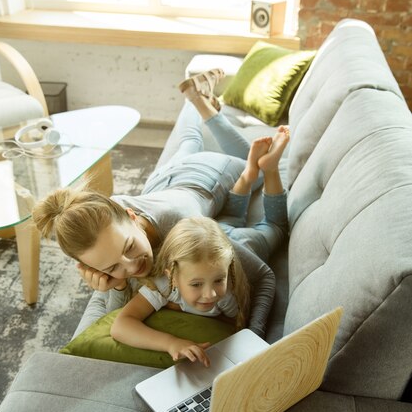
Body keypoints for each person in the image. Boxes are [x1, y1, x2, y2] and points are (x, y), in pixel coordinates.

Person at [32, 69, 288, 339]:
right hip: (162, 182)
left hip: (205, 178)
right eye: (112, 268)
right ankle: (194, 97)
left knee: (258, 167)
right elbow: (116, 320)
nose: (130, 268)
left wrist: (252, 340)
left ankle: (203, 105)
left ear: (131, 217)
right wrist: (115, 286)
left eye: (130, 247)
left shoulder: (182, 229)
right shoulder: (104, 219)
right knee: (189, 140)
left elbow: (262, 276)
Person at [109, 129, 289, 367]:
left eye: (218, 281)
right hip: (213, 237)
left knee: (276, 226)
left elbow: (235, 321)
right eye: (196, 284)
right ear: (171, 276)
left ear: (228, 271)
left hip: (245, 243)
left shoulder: (228, 292)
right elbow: (121, 326)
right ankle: (249, 173)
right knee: (229, 219)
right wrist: (172, 342)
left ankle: (270, 169)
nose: (211, 294)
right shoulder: (164, 287)